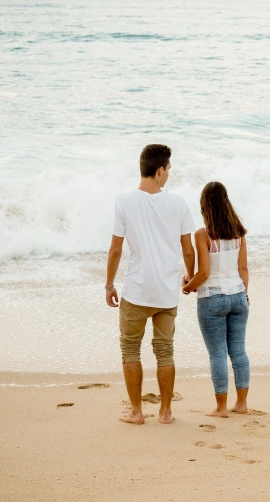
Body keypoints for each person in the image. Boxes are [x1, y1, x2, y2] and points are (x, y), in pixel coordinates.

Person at [105, 144, 195, 425]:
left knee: (130, 348)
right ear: (159, 170)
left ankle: (136, 412)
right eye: (168, 170)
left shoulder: (124, 201)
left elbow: (116, 250)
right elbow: (188, 249)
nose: (168, 175)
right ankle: (166, 412)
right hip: (167, 293)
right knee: (165, 350)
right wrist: (190, 277)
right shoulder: (178, 204)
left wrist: (109, 285)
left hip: (136, 290)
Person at [182, 182, 250, 418]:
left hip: (213, 298)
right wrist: (245, 295)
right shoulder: (239, 232)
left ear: (205, 206)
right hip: (239, 296)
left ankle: (221, 407)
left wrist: (188, 287)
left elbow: (204, 274)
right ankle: (241, 404)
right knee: (239, 352)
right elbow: (243, 268)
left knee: (218, 354)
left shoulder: (204, 234)